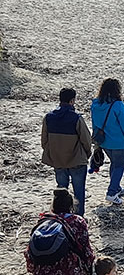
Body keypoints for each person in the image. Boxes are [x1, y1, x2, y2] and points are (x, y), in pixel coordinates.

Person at [41, 88, 92, 216]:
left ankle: (61, 216)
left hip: (58, 159)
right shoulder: (76, 118)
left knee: (61, 190)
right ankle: (78, 218)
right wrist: (87, 153)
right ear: (72, 101)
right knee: (79, 191)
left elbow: (44, 140)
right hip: (76, 160)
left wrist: (52, 153)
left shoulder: (48, 117)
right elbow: (86, 140)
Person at [90, 78, 124, 205]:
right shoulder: (118, 106)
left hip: (104, 141)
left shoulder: (95, 104)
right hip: (119, 142)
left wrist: (96, 141)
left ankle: (116, 187)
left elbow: (94, 123)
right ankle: (111, 192)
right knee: (119, 166)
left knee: (114, 165)